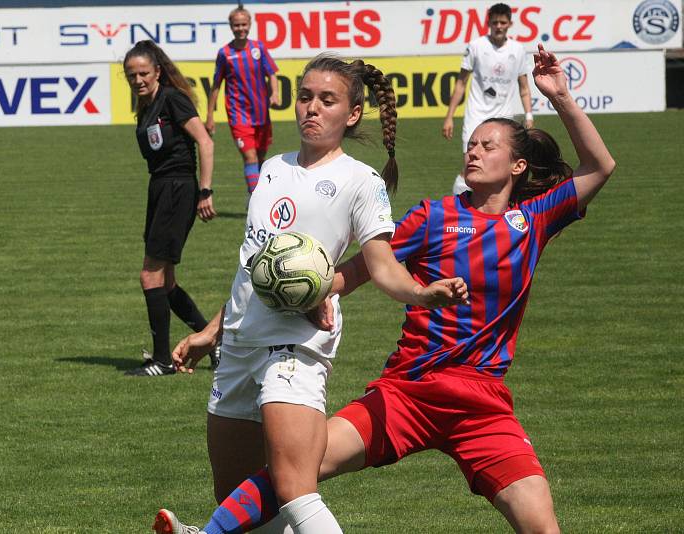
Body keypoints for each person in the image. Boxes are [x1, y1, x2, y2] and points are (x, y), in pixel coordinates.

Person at [154, 44, 615, 533]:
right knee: (297, 469)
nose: (473, 151)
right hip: (408, 391)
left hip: (482, 401)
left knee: (543, 528)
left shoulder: (534, 220)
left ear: (518, 166)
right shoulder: (433, 216)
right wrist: (316, 291)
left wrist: (561, 96)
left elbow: (600, 166)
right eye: (472, 144)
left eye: (488, 146)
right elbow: (365, 267)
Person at [152, 54, 469, 534]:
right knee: (237, 501)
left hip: (294, 346)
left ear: (353, 113)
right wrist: (210, 333)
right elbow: (253, 268)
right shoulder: (273, 169)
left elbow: (381, 266)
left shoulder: (361, 180)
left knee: (293, 487)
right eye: (305, 97)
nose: (311, 109)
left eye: (327, 100)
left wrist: (422, 294)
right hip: (238, 343)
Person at [122, 40, 219, 377]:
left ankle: (162, 360)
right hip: (160, 189)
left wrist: (205, 190)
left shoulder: (172, 99)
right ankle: (216, 342)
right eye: (131, 75)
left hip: (178, 188)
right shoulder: (145, 104)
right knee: (165, 282)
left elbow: (204, 142)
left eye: (144, 73)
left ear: (158, 71)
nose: (138, 80)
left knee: (150, 275)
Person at [443, 2, 534, 195]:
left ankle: (498, 206)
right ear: (489, 23)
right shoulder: (476, 46)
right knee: (470, 163)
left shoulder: (518, 50)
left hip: (504, 117)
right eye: (495, 22)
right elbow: (461, 83)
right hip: (476, 115)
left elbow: (524, 87)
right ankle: (459, 205)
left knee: (503, 166)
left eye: (502, 22)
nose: (499, 26)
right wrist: (449, 116)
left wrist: (529, 115)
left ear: (510, 23)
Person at [205, 4, 281, 196]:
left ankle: (261, 196)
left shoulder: (259, 48)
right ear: (231, 26)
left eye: (243, 24)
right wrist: (210, 117)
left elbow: (272, 73)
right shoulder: (224, 53)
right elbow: (216, 86)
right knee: (250, 157)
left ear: (249, 24)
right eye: (236, 25)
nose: (240, 28)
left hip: (261, 112)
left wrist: (275, 93)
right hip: (239, 114)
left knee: (261, 158)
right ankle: (255, 198)